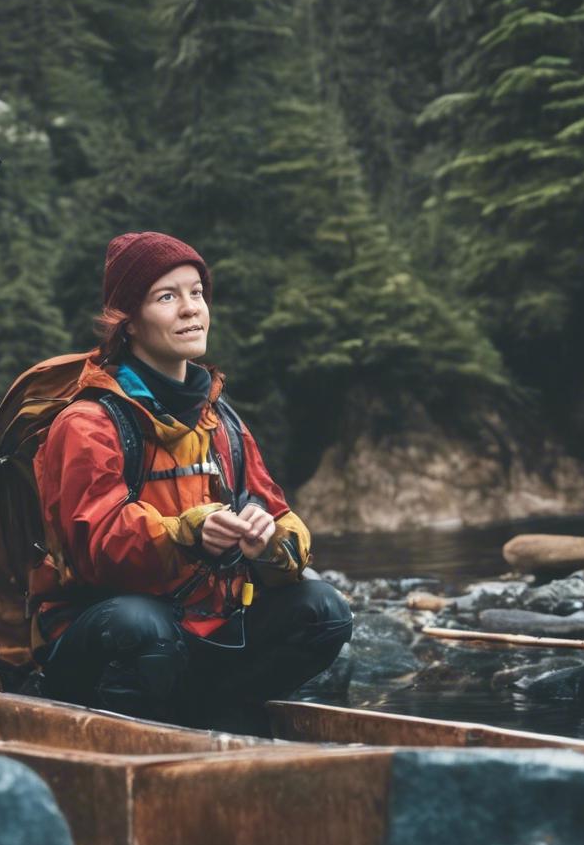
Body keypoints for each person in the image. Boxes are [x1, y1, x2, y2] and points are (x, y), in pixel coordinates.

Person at [31, 231, 352, 733]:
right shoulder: (87, 423)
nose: (190, 309)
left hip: (203, 634)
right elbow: (93, 546)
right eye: (167, 296)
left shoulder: (222, 420)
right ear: (128, 321)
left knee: (323, 610)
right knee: (141, 625)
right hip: (101, 637)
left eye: (196, 293)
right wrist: (189, 532)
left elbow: (283, 518)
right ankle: (133, 737)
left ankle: (217, 713)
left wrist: (270, 543)